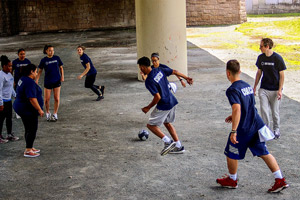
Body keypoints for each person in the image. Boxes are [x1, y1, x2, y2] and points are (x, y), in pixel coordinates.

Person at [216, 60, 288, 193]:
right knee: (264, 152)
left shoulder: (232, 90)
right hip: (257, 125)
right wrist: (234, 115)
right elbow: (248, 105)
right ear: (240, 72)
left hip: (244, 128)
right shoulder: (246, 85)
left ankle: (232, 180)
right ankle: (280, 179)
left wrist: (233, 130)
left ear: (228, 73)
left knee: (231, 152)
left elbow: (237, 108)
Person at [137, 56, 193, 155]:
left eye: (140, 67)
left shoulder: (149, 81)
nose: (140, 69)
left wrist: (148, 107)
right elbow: (175, 71)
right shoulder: (159, 69)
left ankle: (168, 142)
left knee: (151, 125)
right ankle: (179, 146)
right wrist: (186, 78)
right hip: (172, 101)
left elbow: (157, 97)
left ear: (142, 67)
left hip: (164, 104)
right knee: (167, 123)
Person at [253, 38, 286, 139]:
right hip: (264, 88)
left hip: (275, 89)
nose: (260, 48)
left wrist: (280, 90)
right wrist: (255, 87)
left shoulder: (277, 58)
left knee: (275, 112)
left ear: (267, 46)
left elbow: (282, 75)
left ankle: (276, 129)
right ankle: (265, 130)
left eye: (261, 46)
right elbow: (259, 73)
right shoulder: (261, 58)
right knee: (264, 110)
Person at [13, 63, 44, 158]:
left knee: (28, 128)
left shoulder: (23, 79)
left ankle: (29, 146)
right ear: (31, 72)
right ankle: (28, 150)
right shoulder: (29, 82)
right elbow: (32, 98)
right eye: (35, 72)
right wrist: (39, 110)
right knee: (32, 129)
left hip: (22, 107)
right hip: (27, 109)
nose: (36, 73)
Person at [36, 44, 64, 122]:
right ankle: (48, 112)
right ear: (46, 51)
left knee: (57, 98)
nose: (51, 52)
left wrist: (62, 76)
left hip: (57, 81)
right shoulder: (43, 60)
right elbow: (40, 71)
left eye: (52, 50)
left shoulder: (57, 58)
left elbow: (61, 68)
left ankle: (55, 113)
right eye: (50, 50)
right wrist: (37, 79)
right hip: (48, 81)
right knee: (46, 100)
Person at [0, 55, 19, 143]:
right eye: (9, 66)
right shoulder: (1, 75)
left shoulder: (10, 75)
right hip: (2, 101)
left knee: (9, 118)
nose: (11, 68)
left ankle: (9, 134)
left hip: (8, 100)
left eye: (11, 66)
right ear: (4, 66)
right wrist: (0, 103)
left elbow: (11, 87)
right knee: (1, 119)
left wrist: (15, 95)